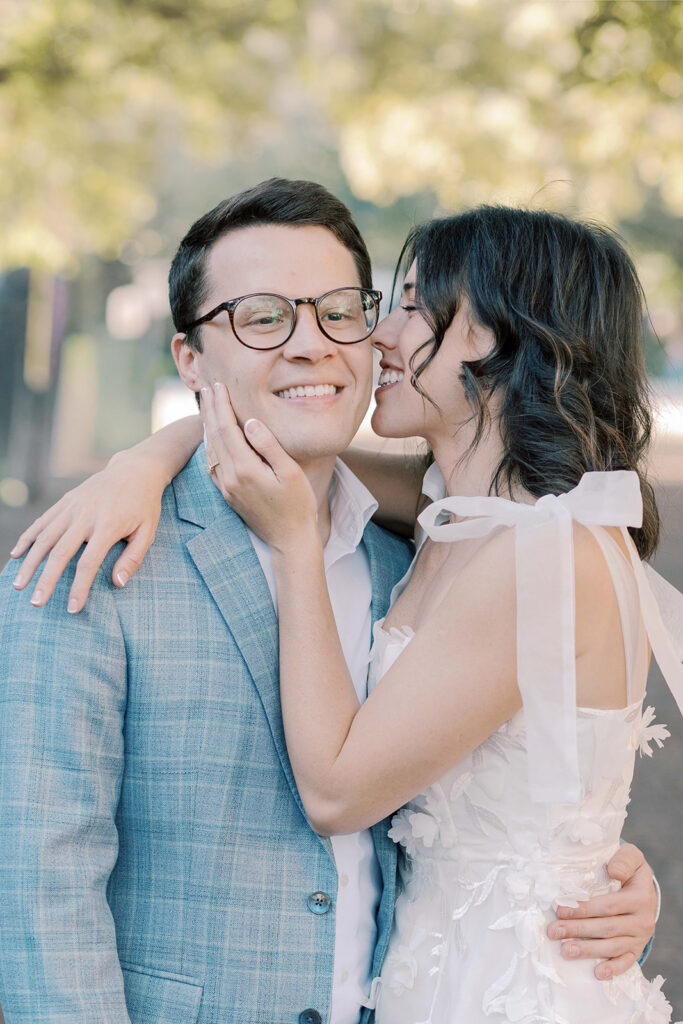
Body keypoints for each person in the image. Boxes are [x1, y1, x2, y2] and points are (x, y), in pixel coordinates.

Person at [1, 186, 659, 1022]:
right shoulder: (91, 558)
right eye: (262, 318)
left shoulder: (416, 556)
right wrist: (150, 455)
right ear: (191, 359)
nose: (333, 342)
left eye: (348, 310)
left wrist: (591, 877)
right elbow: (34, 889)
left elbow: (412, 809)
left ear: (495, 338)